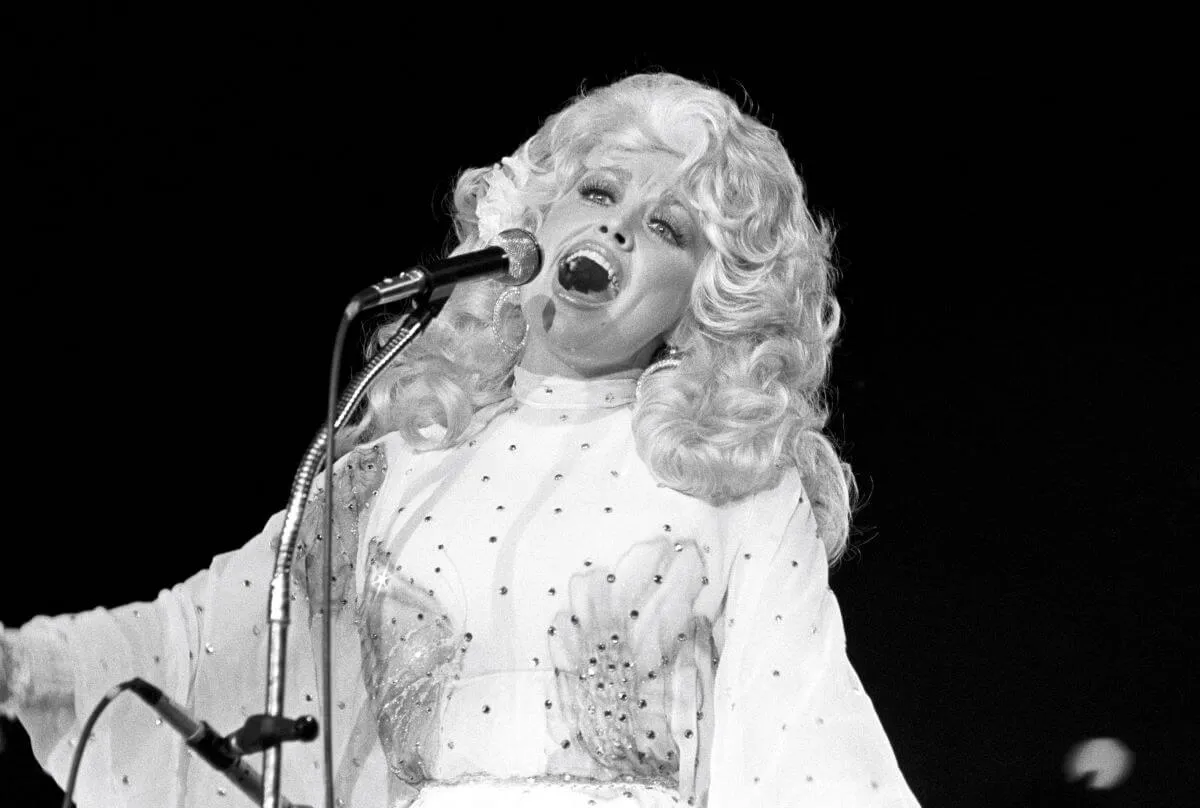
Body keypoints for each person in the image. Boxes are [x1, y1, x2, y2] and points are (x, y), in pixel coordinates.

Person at [0, 72, 920, 806]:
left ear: (697, 306)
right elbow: (202, 637)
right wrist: (24, 665)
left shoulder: (734, 490)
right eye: (598, 190)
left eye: (667, 228)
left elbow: (803, 739)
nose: (615, 227)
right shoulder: (399, 469)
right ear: (533, 222)